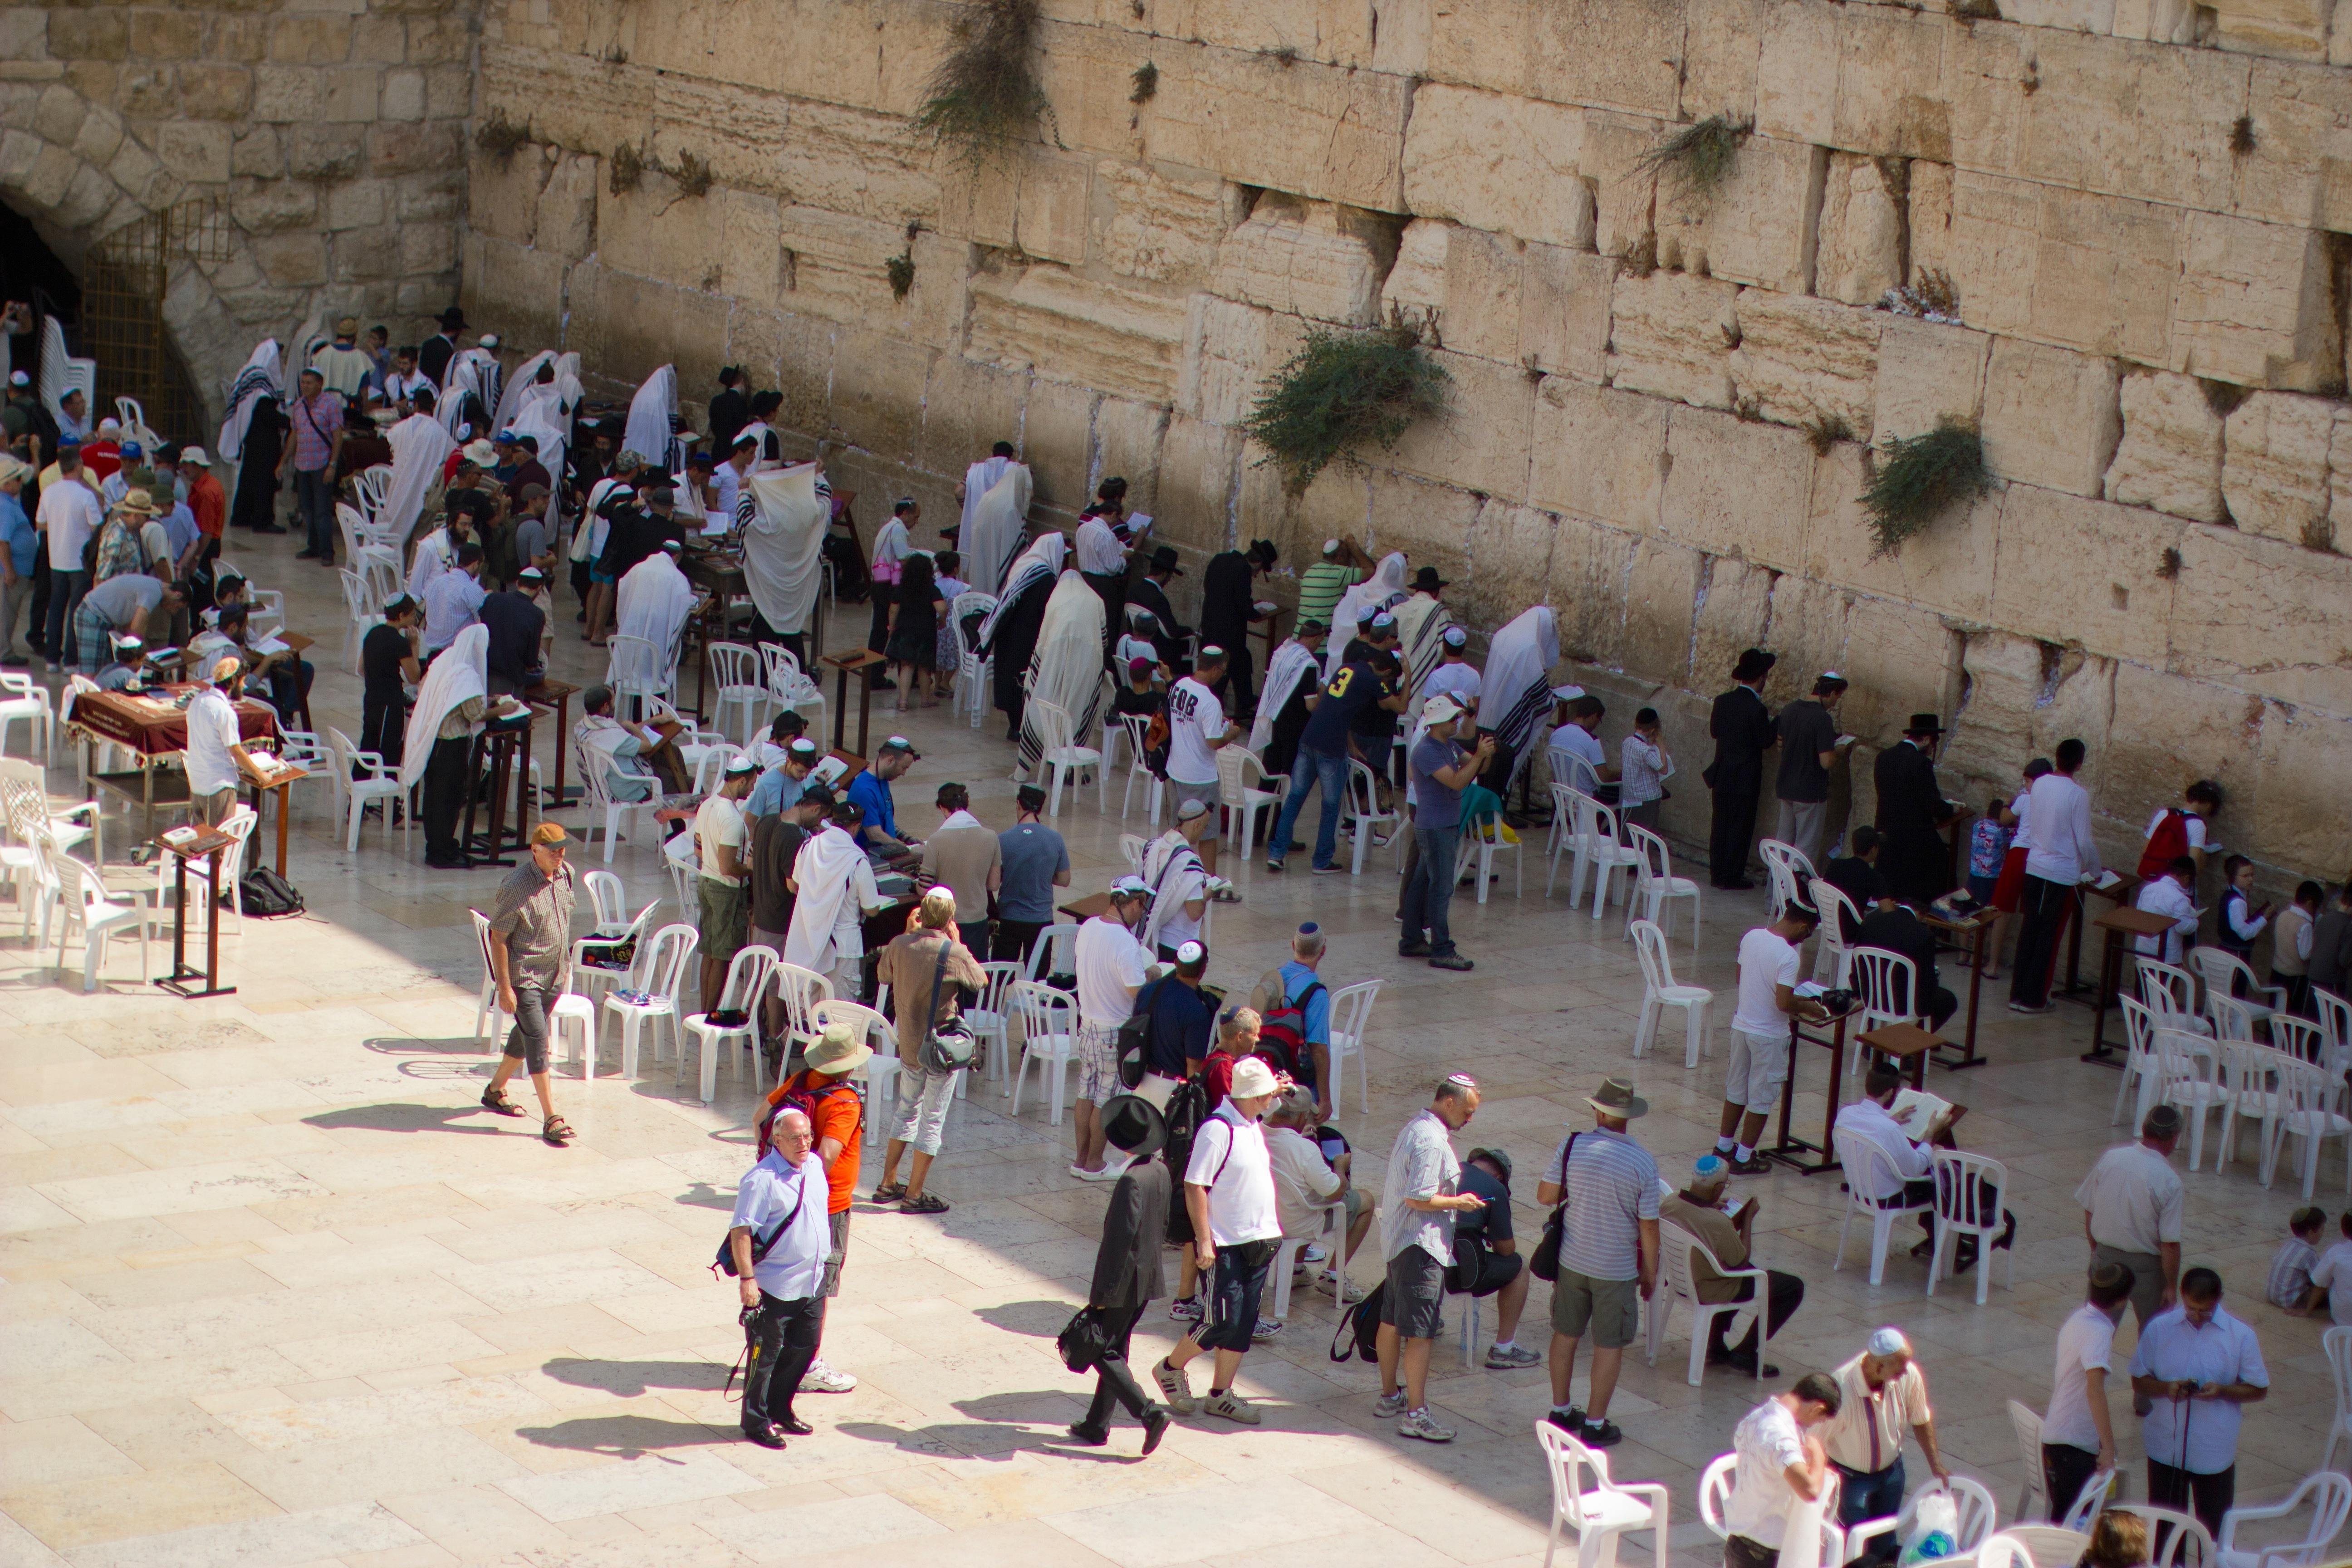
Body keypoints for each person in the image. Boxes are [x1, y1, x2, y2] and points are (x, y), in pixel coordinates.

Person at [1153, 1056, 1284, 1426]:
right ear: (1246, 1095)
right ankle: (1170, 1367)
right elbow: (1195, 1185)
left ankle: (1220, 1395)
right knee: (1219, 1321)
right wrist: (1204, 1241)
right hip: (1225, 1242)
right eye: (1264, 1095)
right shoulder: (1218, 1129)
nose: (1269, 1101)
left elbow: (1273, 1104)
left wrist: (1279, 1089)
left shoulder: (1251, 1120)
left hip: (1259, 1239)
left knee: (1242, 1323)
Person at [1538, 1076, 1659, 1448]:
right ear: (1629, 1117)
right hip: (1617, 1268)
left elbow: (1546, 1196)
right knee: (1609, 1345)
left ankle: (1560, 1411)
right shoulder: (1643, 1162)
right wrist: (1650, 1274)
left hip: (1572, 1260)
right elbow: (1649, 1229)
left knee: (1565, 1335)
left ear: (1597, 1110)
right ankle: (1594, 1423)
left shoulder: (1572, 1145)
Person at [1374, 1074, 1487, 1443]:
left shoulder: (1416, 1127)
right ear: (1449, 1103)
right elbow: (1418, 1197)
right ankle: (1416, 1415)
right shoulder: (1432, 1142)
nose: (1469, 1120)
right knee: (1420, 1334)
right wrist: (1460, 1202)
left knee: (1391, 1322)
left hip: (1399, 1243)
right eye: (1467, 1112)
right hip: (1420, 1246)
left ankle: (1391, 1395)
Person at [1067, 1094, 1175, 1454]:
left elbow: (1118, 1243)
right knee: (1116, 1347)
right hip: (1146, 1281)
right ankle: (1097, 1424)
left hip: (1122, 1284)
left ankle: (1147, 1413)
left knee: (1098, 1349)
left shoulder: (1131, 1181)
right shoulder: (1160, 1171)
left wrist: (1101, 1295)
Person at [872, 887, 989, 1216]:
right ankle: (915, 1193)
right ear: (950, 918)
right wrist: (960, 943)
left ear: (920, 912)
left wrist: (907, 934)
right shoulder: (952, 951)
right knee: (932, 1119)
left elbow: (882, 976)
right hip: (940, 1047)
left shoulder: (899, 944)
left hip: (909, 1044)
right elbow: (981, 981)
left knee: (906, 1109)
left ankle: (887, 1183)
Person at [2128, 1267, 2269, 1537]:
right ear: (2182, 1296)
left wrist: (2223, 1391)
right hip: (2165, 1446)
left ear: (2219, 1300)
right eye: (2191, 1308)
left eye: (2205, 1312)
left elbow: (2259, 1389)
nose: (2197, 1317)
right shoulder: (2159, 1329)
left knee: (2214, 1531)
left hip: (2214, 1448)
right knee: (2166, 1531)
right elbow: (2139, 1380)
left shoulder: (2241, 1336)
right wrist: (2167, 1389)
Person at [729, 1106, 830, 1448]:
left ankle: (780, 1407)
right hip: (774, 1286)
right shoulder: (761, 1180)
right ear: (777, 1140)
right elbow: (741, 1231)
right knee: (764, 1356)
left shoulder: (815, 1166)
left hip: (812, 1280)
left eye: (808, 1136)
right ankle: (756, 1421)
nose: (804, 1144)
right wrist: (747, 1280)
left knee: (805, 1347)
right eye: (795, 1138)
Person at [1266, 632, 1407, 873]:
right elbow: (1401, 706)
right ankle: (1321, 861)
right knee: (1331, 805)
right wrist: (1409, 672)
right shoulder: (1372, 680)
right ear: (1385, 673)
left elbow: (1340, 709)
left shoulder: (1347, 668)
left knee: (1296, 796)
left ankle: (1276, 853)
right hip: (1331, 748)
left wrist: (1351, 746)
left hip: (1310, 738)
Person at [478, 822, 579, 1146]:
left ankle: (495, 1090)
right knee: (537, 1036)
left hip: (553, 975)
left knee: (526, 1034)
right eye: (553, 851)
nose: (559, 856)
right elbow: (498, 938)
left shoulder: (566, 874)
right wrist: (505, 988)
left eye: (563, 849)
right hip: (526, 977)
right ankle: (551, 1117)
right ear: (534, 850)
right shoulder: (516, 886)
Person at [1659, 1155, 1805, 1375]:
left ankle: (1716, 1346)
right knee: (1791, 1286)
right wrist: (1747, 1220)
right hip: (1711, 1287)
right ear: (1718, 1187)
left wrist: (1712, 1209)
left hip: (1682, 1280)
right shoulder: (1717, 1223)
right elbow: (1740, 1259)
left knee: (1745, 1272)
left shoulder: (1670, 1204)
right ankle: (1746, 1352)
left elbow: (1702, 1227)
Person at [1717, 902, 1829, 1173]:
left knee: (1736, 1091)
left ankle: (1723, 1147)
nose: (1806, 939)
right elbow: (1783, 1003)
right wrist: (1810, 1006)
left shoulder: (1752, 937)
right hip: (1769, 1037)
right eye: (1809, 934)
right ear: (1804, 927)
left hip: (1742, 1028)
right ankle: (1744, 1158)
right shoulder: (1789, 957)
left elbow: (1740, 977)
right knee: (1761, 1098)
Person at [1823, 1328, 1949, 1550]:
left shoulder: (1908, 1375)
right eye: (1899, 1369)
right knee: (1854, 1546)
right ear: (1880, 1368)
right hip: (1851, 1481)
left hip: (1892, 1474)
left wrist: (1935, 1463)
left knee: (1885, 1542)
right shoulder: (1841, 1389)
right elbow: (1814, 1441)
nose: (1905, 1372)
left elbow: (1920, 1419)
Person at [1401, 693, 1493, 972]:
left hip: (1441, 825)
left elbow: (1479, 767)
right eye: (1453, 718)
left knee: (1421, 884)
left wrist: (1483, 755)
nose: (1457, 721)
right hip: (1436, 828)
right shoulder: (1426, 751)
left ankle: (1412, 940)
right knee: (1441, 888)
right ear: (1438, 722)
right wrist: (1479, 756)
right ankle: (1441, 948)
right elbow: (1456, 782)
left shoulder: (1449, 746)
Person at [2010, 737, 2100, 1013]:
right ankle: (2032, 998)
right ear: (2080, 764)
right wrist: (2095, 871)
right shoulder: (2077, 795)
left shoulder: (2040, 784)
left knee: (2030, 929)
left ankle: (2018, 993)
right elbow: (2084, 841)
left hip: (2035, 864)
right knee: (2047, 935)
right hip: (2059, 872)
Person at [2076, 1106, 2186, 1332]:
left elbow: (2089, 1208)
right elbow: (2170, 1244)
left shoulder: (2111, 1158)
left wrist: (2095, 1250)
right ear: (2174, 1139)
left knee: (2095, 1331)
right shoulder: (2170, 1181)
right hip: (2147, 1268)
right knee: (2154, 1337)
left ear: (2144, 1129)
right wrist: (2172, 1286)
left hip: (2106, 1257)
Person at [1838, 1063, 1963, 1261]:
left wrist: (1891, 1119)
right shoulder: (1888, 1129)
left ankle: (1942, 1236)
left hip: (1859, 1188)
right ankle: (1950, 1240)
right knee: (1943, 1178)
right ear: (1890, 1092)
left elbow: (1871, 1130)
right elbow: (1915, 1169)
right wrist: (1930, 1136)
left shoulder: (1846, 1114)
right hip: (1888, 1196)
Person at [2044, 1262, 2138, 1522]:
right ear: (2122, 1300)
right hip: (2072, 1444)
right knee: (2074, 1523)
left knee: (2063, 1518)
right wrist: (2108, 1448)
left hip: (2058, 1434)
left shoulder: (2078, 1319)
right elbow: (2094, 1389)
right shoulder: (2099, 1331)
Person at [1073, 877, 1153, 1176]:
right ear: (1132, 903)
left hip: (1088, 1024)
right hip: (1114, 1030)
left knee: (1086, 1093)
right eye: (1141, 906)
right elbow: (1137, 991)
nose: (1141, 914)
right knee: (1106, 1100)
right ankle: (1095, 1163)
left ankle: (1080, 1160)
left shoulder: (1088, 927)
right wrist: (1152, 976)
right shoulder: (1125, 941)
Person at [1722, 1375, 1843, 1568]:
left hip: (1742, 1544)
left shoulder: (1755, 1418)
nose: (1813, 1425)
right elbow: (1810, 1490)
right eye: (1818, 1420)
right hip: (1762, 1554)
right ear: (1817, 1408)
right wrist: (1819, 1456)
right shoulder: (1780, 1436)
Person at [1264, 1090, 1368, 1313]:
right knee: (1366, 1201)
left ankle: (1297, 1270)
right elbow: (1335, 1192)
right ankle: (1332, 1276)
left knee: (1307, 1190)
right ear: (1302, 1117)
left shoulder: (1257, 1133)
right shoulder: (1305, 1150)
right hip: (1297, 1222)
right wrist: (1340, 1165)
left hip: (1267, 1217)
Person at [781, 794, 887, 1000]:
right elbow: (872, 909)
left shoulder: (807, 847)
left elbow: (796, 883)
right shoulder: (858, 860)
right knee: (839, 1021)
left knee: (810, 1022)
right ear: (856, 827)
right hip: (844, 948)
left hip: (810, 943)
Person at [1450, 1145, 1535, 1367]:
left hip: (1430, 1266)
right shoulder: (1494, 1189)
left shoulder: (1450, 1169)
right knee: (1520, 1267)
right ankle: (1503, 1349)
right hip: (1462, 1275)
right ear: (1500, 1177)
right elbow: (1506, 1250)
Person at [1705, 647, 1777, 890]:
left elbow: (1715, 732)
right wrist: (1778, 721)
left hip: (1723, 774)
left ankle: (1717, 874)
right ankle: (1731, 877)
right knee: (1740, 829)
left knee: (1720, 826)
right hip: (1745, 780)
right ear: (1761, 678)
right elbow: (1766, 740)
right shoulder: (1757, 709)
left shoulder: (1722, 701)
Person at [1164, 648, 1240, 877]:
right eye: (1223, 671)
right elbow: (1213, 741)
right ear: (1216, 669)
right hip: (1200, 776)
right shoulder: (1210, 701)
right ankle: (1210, 883)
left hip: (1176, 770)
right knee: (1207, 833)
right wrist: (1232, 733)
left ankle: (1173, 876)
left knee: (1178, 830)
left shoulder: (1179, 686)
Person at [1874, 714, 1961, 906]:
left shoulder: (1883, 757)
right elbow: (1932, 805)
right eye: (1934, 743)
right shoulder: (1920, 763)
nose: (1932, 750)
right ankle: (1939, 923)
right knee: (1943, 868)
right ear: (1928, 739)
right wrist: (1952, 809)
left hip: (1887, 836)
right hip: (1914, 839)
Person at [1253, 922, 1336, 1120]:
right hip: (1298, 1085)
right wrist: (1325, 1099)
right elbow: (1318, 1050)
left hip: (1268, 1074)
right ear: (1323, 951)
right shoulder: (1317, 994)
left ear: (1293, 946)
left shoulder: (1273, 978)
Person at [693, 756, 758, 1009]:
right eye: (751, 784)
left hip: (705, 882)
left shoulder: (707, 805)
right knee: (721, 956)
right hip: (726, 888)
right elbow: (728, 866)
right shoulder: (731, 818)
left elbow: (699, 850)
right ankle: (711, 1015)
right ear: (740, 781)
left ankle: (704, 1011)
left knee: (709, 952)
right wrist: (753, 870)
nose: (752, 789)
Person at [1133, 929, 1214, 1124]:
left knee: (1139, 1152)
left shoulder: (1149, 991)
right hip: (1170, 1092)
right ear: (1203, 969)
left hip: (1140, 1084)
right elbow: (1193, 1068)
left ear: (1176, 964)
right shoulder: (1197, 1010)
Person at [35, 443, 100, 669]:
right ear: (79, 466)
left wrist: (58, 525)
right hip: (80, 563)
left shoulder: (49, 492)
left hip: (57, 560)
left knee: (56, 609)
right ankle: (71, 661)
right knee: (76, 611)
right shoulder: (86, 496)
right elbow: (96, 528)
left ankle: (52, 659)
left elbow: (41, 523)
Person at [1774, 673, 1847, 866]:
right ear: (1831, 693)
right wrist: (1839, 751)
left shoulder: (1789, 710)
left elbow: (1780, 745)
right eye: (1836, 699)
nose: (1834, 704)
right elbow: (1826, 762)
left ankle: (1774, 895)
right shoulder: (1822, 719)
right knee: (1804, 851)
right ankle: (1795, 894)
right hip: (1809, 792)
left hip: (1786, 788)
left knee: (1782, 847)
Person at [1855, 897, 1960, 1032]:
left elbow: (1857, 961)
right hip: (1902, 1003)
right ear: (1923, 914)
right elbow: (1926, 981)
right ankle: (1912, 1040)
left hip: (1869, 994)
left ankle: (1872, 1040)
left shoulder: (1870, 921)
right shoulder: (1924, 935)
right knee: (1948, 1000)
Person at [993, 784, 1069, 965]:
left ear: (1019, 804)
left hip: (1008, 917)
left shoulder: (1002, 839)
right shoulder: (1055, 838)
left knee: (1000, 977)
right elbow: (1064, 879)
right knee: (1036, 979)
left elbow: (995, 882)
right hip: (1041, 920)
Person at [920, 782, 1000, 955]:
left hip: (947, 922)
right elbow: (993, 885)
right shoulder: (991, 837)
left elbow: (924, 889)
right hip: (979, 920)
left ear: (942, 808)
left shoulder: (936, 840)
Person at [182, 656, 262, 826]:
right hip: (218, 788)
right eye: (242, 681)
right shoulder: (224, 711)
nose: (244, 686)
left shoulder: (197, 702)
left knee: (201, 843)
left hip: (197, 785)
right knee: (219, 844)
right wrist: (261, 775)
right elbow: (237, 753)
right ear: (233, 680)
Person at [1199, 540, 1274, 716]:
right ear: (1257, 564)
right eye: (1257, 572)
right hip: (1228, 633)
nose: (1255, 576)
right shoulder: (1243, 570)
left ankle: (1245, 702)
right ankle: (1218, 710)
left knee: (1242, 661)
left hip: (1210, 624)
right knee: (1224, 668)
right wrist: (1257, 614)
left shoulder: (1220, 559)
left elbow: (1210, 586)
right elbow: (1243, 604)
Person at [1251, 619, 1327, 781]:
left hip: (1276, 719)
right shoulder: (1309, 664)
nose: (1318, 645)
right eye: (1320, 641)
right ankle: (1283, 808)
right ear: (1314, 639)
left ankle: (1261, 807)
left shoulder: (1284, 651)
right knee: (1289, 778)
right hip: (1295, 728)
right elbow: (1311, 705)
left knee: (1269, 776)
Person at [282, 367, 345, 563]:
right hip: (302, 466)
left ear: (320, 384)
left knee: (322, 511)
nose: (305, 386)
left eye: (309, 383)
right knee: (308, 510)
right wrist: (283, 462)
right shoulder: (299, 406)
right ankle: (314, 546)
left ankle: (328, 552)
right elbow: (295, 435)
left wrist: (332, 465)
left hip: (321, 465)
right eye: (303, 382)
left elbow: (337, 436)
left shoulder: (330, 405)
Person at [71, 571, 175, 676]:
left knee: (104, 671)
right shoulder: (155, 591)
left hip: (104, 619)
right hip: (93, 615)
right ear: (178, 595)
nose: (173, 611)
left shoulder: (153, 585)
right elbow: (136, 627)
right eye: (177, 607)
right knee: (91, 673)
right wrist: (138, 655)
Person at [844, 735, 921, 861]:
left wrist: (908, 839)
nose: (903, 773)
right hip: (870, 859)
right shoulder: (865, 790)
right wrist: (908, 851)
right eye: (904, 767)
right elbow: (875, 835)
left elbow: (885, 817)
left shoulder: (883, 779)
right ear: (890, 760)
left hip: (887, 852)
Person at [885, 547, 941, 711]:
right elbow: (942, 608)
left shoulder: (901, 589)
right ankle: (925, 699)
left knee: (907, 666)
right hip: (926, 631)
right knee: (924, 666)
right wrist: (942, 621)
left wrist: (892, 627)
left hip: (905, 630)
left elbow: (893, 610)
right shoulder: (931, 589)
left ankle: (903, 702)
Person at [480, 566, 548, 696]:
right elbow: (531, 661)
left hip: (484, 671)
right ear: (539, 588)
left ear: (518, 583)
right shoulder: (536, 615)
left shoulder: (493, 599)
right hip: (510, 679)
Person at [2138, 779, 2223, 881]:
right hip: (2176, 884)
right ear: (2209, 804)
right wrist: (2205, 853)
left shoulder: (2164, 814)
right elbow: (2194, 866)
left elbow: (2145, 850)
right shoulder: (2198, 825)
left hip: (2154, 878)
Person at [1128, 545, 1192, 670]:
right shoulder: (1159, 599)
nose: (1169, 580)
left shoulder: (1133, 591)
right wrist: (1190, 631)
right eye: (1170, 576)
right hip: (1157, 653)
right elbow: (1172, 631)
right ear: (1163, 574)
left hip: (1132, 649)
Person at [1824, 826, 1893, 942]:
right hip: (1852, 934)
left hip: (1829, 927)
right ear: (1873, 850)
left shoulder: (1835, 865)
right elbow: (1889, 913)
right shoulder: (1873, 876)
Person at [2132, 857, 2201, 967]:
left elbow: (2139, 914)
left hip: (2143, 951)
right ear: (2186, 878)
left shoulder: (2148, 889)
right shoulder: (2180, 899)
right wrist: (2195, 921)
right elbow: (2183, 928)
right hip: (2166, 958)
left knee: (2142, 984)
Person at [421, 540, 487, 655]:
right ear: (475, 564)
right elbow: (483, 625)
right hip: (456, 655)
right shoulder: (473, 590)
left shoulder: (436, 583)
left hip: (431, 654)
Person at [1548, 692, 1617, 799]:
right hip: (1586, 798)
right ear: (1595, 716)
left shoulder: (1556, 732)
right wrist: (1622, 774)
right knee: (1617, 793)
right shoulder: (1591, 740)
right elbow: (1604, 777)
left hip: (1563, 795)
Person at [1619, 708, 1673, 836]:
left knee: (1629, 835)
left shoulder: (1627, 742)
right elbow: (1664, 769)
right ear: (1653, 730)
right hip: (1647, 800)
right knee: (1646, 837)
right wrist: (1661, 746)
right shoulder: (1645, 750)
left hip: (1631, 797)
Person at [2272, 881, 2324, 1016]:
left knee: (2274, 1010)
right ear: (2311, 904)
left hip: (2277, 971)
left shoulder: (2283, 915)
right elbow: (2305, 954)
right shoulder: (2305, 925)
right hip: (2294, 977)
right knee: (2290, 1014)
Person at [0, 455, 33, 664]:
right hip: (11, 569)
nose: (22, 484)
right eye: (18, 480)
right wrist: (9, 570)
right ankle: (4, 652)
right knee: (6, 611)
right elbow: (3, 541)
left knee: (7, 611)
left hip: (14, 567)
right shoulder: (5, 506)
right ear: (7, 483)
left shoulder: (8, 504)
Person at [2268, 1205, 2328, 1313]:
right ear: (2311, 1233)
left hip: (2273, 1296)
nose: (2323, 1234)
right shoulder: (2309, 1253)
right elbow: (2320, 1280)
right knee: (2326, 1291)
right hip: (2290, 1302)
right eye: (2322, 1230)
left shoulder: (2289, 1244)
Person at [747, 736, 820, 820]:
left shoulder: (810, 778)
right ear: (788, 761)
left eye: (809, 771)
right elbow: (750, 822)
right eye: (800, 771)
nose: (805, 776)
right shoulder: (766, 783)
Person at [2215, 855, 2270, 965]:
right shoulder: (2237, 902)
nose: (2251, 879)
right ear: (2233, 877)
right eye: (2245, 876)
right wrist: (2265, 918)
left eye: (2252, 875)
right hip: (2235, 955)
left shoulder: (2231, 894)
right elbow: (2245, 933)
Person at [2300, 1210, 2352, 1324]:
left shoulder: (2336, 1252)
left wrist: (2307, 1312)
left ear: (2344, 1231)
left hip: (2342, 1319)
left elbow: (2320, 1284)